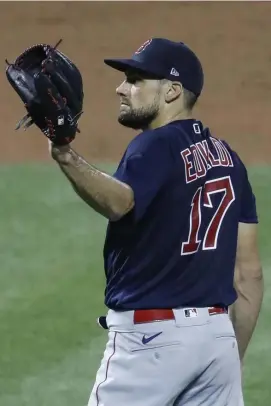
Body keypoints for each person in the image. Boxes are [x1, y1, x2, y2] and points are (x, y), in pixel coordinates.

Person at [49, 38, 264, 406]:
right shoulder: (230, 160)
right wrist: (231, 356)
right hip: (217, 340)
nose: (121, 88)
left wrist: (64, 154)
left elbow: (121, 203)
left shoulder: (154, 146)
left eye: (135, 79)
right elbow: (249, 276)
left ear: (172, 91)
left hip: (153, 342)